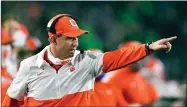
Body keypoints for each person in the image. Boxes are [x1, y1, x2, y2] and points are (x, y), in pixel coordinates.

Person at [2, 14, 177, 107]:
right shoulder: (29, 66)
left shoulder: (86, 62)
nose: (75, 42)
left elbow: (118, 57)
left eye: (76, 37)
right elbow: (11, 102)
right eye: (70, 38)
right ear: (54, 39)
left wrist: (148, 48)